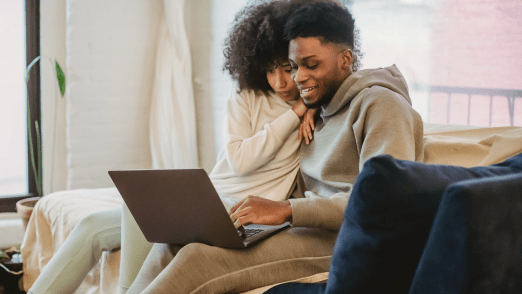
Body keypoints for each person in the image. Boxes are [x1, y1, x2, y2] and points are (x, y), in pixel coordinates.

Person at [126, 1, 424, 294]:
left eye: (312, 65)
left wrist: (286, 210)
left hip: (347, 238)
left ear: (345, 60)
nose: (298, 78)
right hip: (301, 227)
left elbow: (383, 202)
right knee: (176, 240)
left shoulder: (383, 106)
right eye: (295, 66)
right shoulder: (319, 109)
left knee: (197, 259)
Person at [25, 1, 318, 294]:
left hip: (239, 210)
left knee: (150, 207)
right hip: (210, 196)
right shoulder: (246, 99)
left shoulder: (313, 109)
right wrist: (294, 114)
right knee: (95, 223)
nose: (279, 81)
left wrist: (306, 108)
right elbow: (240, 160)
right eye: (270, 70)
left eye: (287, 68)